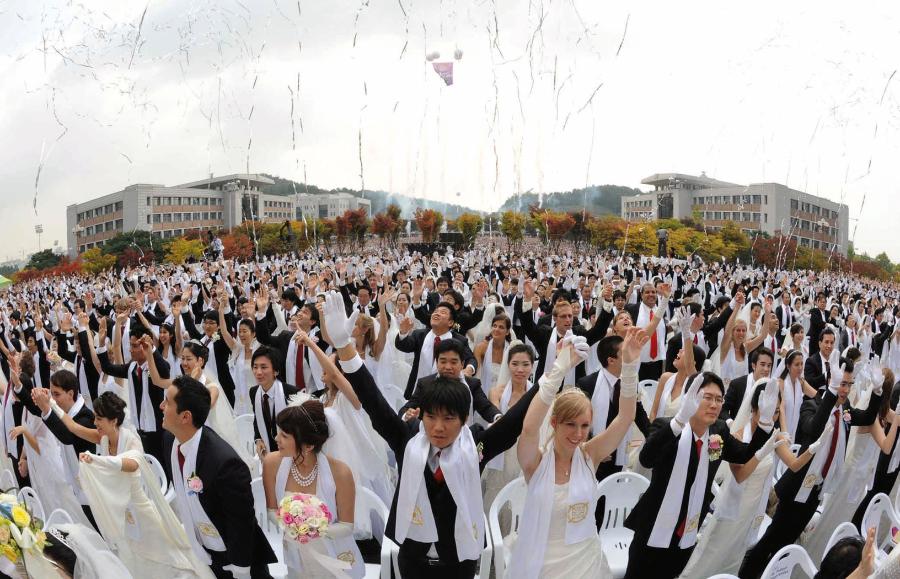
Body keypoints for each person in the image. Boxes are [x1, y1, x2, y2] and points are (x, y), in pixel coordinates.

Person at [324, 291, 538, 579]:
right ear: (421, 414)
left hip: (458, 560)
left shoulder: (474, 442)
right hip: (413, 558)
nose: (438, 427)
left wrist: (553, 377)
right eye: (431, 417)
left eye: (449, 418)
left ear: (464, 419)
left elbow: (513, 423)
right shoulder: (408, 437)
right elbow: (372, 400)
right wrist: (343, 346)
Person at [507, 327, 646, 578]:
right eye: (570, 424)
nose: (578, 433)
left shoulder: (589, 455)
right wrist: (559, 370)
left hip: (587, 562)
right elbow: (528, 428)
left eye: (584, 426)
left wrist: (629, 365)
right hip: (542, 563)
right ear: (554, 423)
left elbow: (625, 418)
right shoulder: (535, 462)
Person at [623, 371, 776, 579]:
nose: (714, 404)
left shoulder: (718, 431)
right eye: (708, 397)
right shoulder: (666, 426)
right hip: (654, 526)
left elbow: (743, 455)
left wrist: (765, 425)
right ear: (690, 398)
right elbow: (646, 458)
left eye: (719, 399)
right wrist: (678, 421)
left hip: (687, 530)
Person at [739, 360, 883, 579]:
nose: (844, 390)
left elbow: (867, 417)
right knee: (771, 539)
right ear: (831, 382)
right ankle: (748, 574)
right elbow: (814, 429)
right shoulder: (813, 405)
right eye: (841, 384)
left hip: (816, 489)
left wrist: (878, 391)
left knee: (788, 542)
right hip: (797, 487)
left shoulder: (845, 411)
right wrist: (831, 396)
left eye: (848, 385)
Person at [677, 380, 825, 578]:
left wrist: (814, 449)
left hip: (754, 507)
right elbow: (740, 475)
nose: (771, 418)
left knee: (736, 554)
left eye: (775, 412)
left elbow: (794, 464)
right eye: (767, 411)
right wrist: (760, 454)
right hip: (735, 504)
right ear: (754, 408)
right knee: (715, 549)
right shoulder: (738, 435)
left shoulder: (774, 435)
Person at [67, 392, 215, 579]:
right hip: (122, 511)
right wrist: (50, 406)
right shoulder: (103, 438)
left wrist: (99, 462)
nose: (95, 423)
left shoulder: (130, 439)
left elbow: (133, 464)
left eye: (98, 418)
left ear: (113, 421)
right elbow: (72, 426)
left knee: (167, 558)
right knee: (134, 559)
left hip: (140, 510)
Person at [161, 375, 276, 578]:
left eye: (167, 402)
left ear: (185, 416)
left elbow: (241, 521)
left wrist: (241, 568)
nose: (161, 406)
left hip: (237, 558)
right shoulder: (171, 440)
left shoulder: (224, 463)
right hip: (203, 549)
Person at [802, 365, 898, 562]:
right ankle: (817, 555)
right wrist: (896, 420)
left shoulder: (882, 414)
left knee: (844, 520)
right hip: (851, 475)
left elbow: (890, 414)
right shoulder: (872, 420)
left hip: (860, 477)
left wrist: (895, 417)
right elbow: (887, 447)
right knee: (835, 518)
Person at [262, 401, 364, 578]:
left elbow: (347, 526)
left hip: (332, 552)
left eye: (285, 436)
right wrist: (291, 524)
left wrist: (313, 529)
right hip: (295, 552)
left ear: (308, 446)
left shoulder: (340, 473)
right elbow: (271, 511)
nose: (277, 439)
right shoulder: (271, 464)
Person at [97, 324, 170, 466]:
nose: (130, 350)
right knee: (150, 462)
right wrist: (101, 344)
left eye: (134, 346)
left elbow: (165, 371)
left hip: (157, 425)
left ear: (145, 346)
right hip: (140, 425)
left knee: (163, 463)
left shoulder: (154, 367)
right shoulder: (131, 367)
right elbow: (107, 367)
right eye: (130, 345)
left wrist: (152, 350)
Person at [482, 342, 534, 520]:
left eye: (525, 364)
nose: (520, 369)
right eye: (515, 364)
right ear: (508, 365)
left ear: (532, 367)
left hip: (526, 449)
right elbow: (497, 421)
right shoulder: (496, 392)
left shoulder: (537, 394)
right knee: (497, 496)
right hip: (502, 450)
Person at [399, 339, 502, 426]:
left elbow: (486, 407)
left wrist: (497, 417)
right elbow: (407, 408)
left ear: (462, 364)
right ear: (437, 362)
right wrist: (407, 415)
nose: (448, 367)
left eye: (453, 362)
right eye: (443, 361)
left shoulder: (472, 385)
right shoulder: (425, 384)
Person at [395, 301, 477, 398]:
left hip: (444, 394)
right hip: (417, 392)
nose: (437, 313)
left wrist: (469, 369)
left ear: (450, 322)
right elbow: (404, 346)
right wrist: (403, 333)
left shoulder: (459, 340)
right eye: (435, 311)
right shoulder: (420, 334)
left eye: (443, 312)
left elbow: (471, 359)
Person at [249, 346, 300, 455]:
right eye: (255, 367)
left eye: (263, 367)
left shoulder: (292, 393)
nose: (258, 372)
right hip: (267, 453)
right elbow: (257, 419)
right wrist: (258, 439)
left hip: (290, 452)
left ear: (275, 371)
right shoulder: (253, 392)